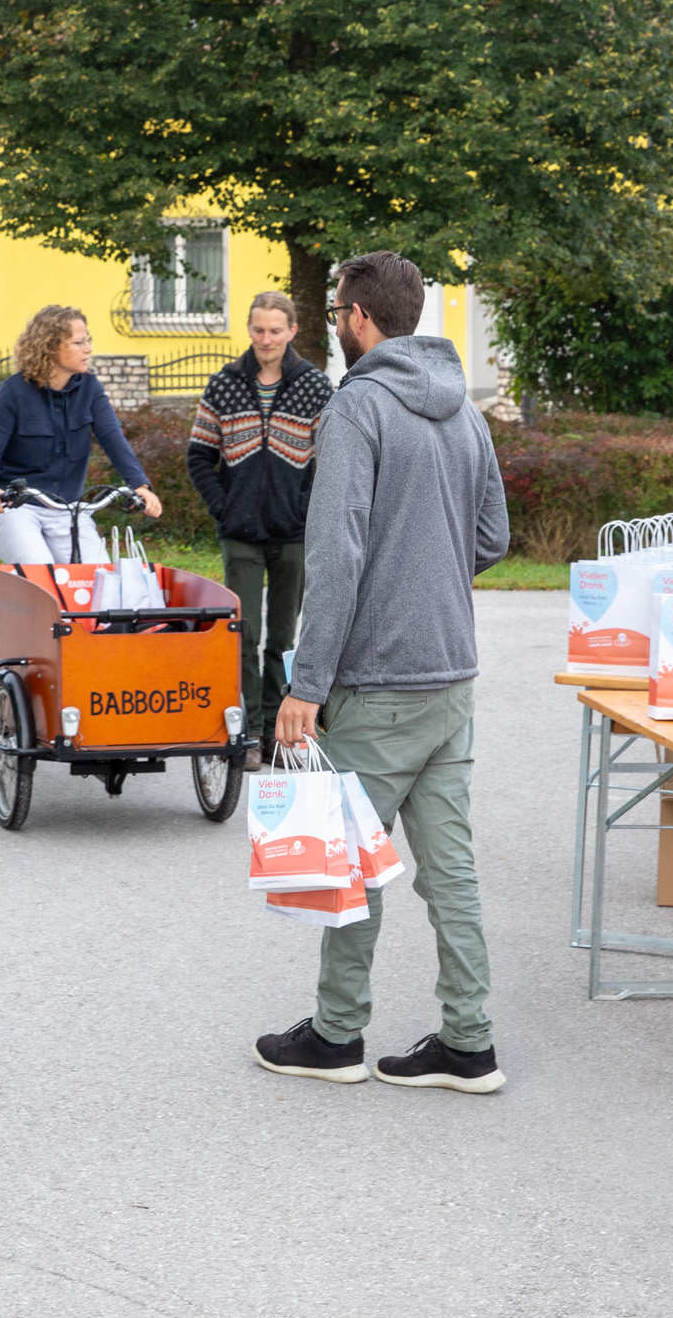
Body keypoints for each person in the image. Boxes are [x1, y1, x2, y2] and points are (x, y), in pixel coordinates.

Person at [256, 252, 511, 1095]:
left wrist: (307, 684)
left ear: (360, 317)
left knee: (352, 864)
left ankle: (336, 1034)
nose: (333, 323)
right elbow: (492, 537)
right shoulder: (465, 411)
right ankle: (470, 1041)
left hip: (378, 680)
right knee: (452, 873)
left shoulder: (357, 405)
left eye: (336, 311)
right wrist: (428, 575)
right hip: (451, 676)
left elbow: (335, 553)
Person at [186, 290, 333, 765]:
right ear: (249, 330)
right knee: (243, 635)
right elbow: (199, 455)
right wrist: (223, 508)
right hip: (241, 533)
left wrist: (307, 509)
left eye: (275, 330)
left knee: (284, 639)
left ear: (292, 331)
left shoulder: (314, 385)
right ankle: (247, 734)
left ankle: (275, 733)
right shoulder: (225, 383)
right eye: (258, 329)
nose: (265, 339)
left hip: (294, 536)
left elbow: (332, 460)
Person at [0, 305, 163, 563]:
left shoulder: (90, 388)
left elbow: (113, 439)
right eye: (78, 342)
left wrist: (140, 485)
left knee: (96, 580)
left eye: (88, 340)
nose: (88, 349)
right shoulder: (14, 391)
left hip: (68, 510)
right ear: (50, 347)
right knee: (42, 573)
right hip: (15, 509)